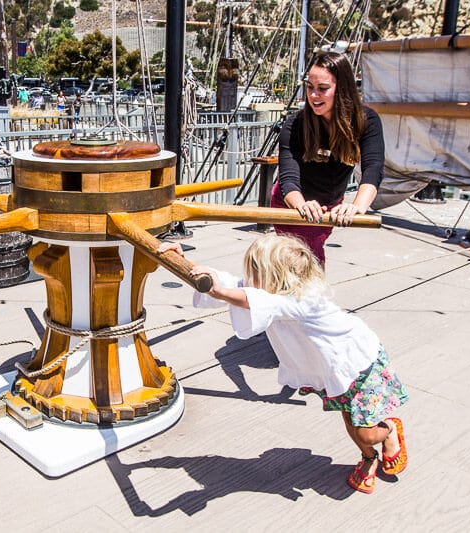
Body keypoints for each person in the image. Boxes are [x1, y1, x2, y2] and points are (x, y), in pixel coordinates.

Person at [159, 233, 409, 494]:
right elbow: (230, 283)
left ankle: (389, 428)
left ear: (276, 276)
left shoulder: (305, 300)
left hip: (358, 365)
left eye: (255, 270)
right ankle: (369, 457)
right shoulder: (273, 290)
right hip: (331, 371)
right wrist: (182, 262)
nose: (249, 276)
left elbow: (248, 298)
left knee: (366, 432)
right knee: (352, 422)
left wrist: (219, 291)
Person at [273, 52, 385, 267]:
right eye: (309, 87)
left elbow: (374, 168)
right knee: (306, 264)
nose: (314, 95)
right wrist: (302, 205)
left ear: (342, 89)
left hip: (330, 206)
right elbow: (288, 178)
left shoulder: (366, 121)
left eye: (322, 89)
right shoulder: (296, 124)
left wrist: (357, 206)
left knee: (300, 267)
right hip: (291, 205)